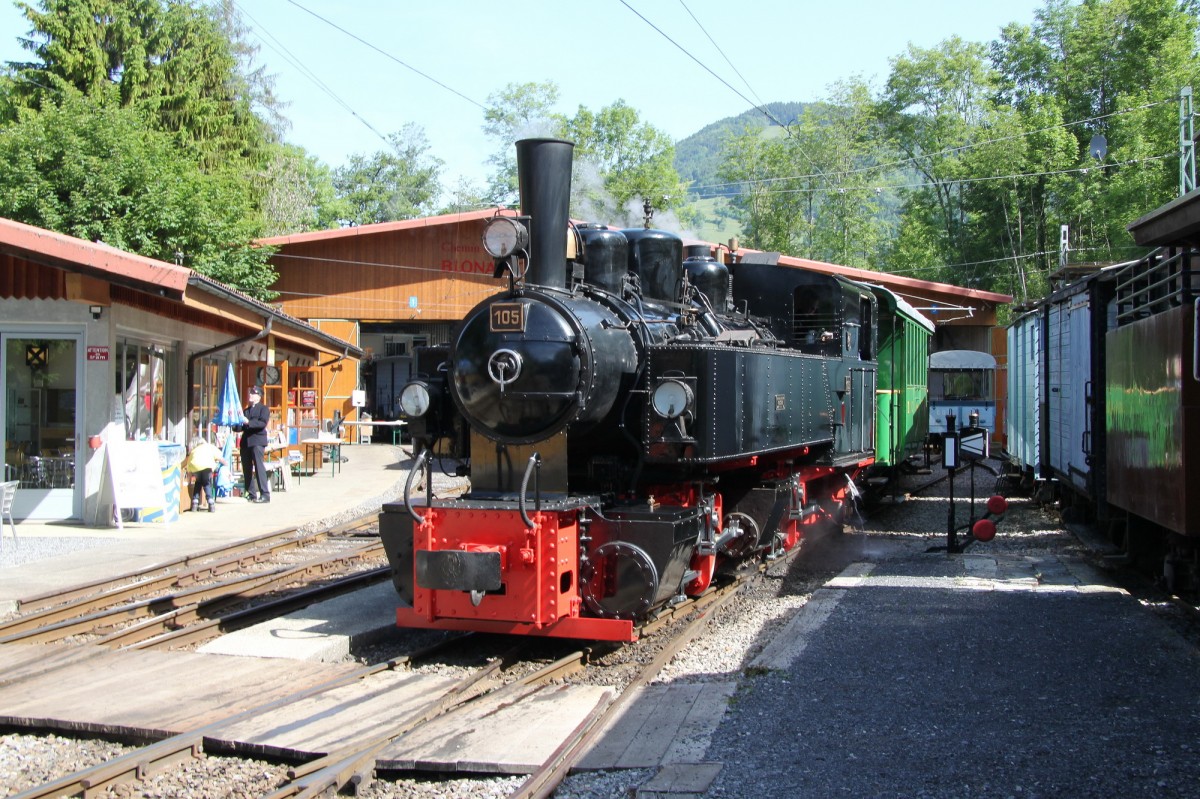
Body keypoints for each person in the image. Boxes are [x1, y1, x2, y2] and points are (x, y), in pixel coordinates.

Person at [240, 385, 272, 503]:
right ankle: (251, 493)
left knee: (259, 467)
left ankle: (265, 494)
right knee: (246, 468)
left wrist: (248, 422)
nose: (250, 395)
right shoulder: (246, 411)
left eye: (253, 394)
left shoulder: (263, 409)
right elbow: (240, 427)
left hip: (257, 441)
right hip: (246, 442)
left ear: (259, 396)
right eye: (250, 393)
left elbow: (262, 423)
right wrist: (235, 423)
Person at [185, 436, 226, 512]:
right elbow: (220, 458)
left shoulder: (194, 450)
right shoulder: (209, 447)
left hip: (195, 467)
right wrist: (225, 464)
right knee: (207, 483)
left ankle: (195, 502)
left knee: (198, 483)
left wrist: (189, 478)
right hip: (207, 467)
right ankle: (211, 502)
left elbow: (189, 464)